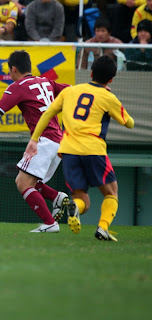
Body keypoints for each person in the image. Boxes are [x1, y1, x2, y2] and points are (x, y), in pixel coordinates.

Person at [0, 50, 70, 233]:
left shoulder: (18, 86)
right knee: (31, 182)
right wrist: (99, 89)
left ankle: (50, 223)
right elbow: (72, 90)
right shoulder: (46, 81)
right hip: (59, 142)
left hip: (44, 140)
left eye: (9, 71)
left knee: (23, 183)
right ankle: (57, 197)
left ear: (14, 69)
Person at [24, 55, 135, 241]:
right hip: (93, 149)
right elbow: (129, 123)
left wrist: (34, 139)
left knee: (81, 197)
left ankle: (75, 206)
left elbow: (48, 113)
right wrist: (112, 103)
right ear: (111, 80)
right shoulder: (108, 97)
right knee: (111, 192)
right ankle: (103, 227)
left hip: (68, 151)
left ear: (90, 73)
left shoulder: (70, 91)